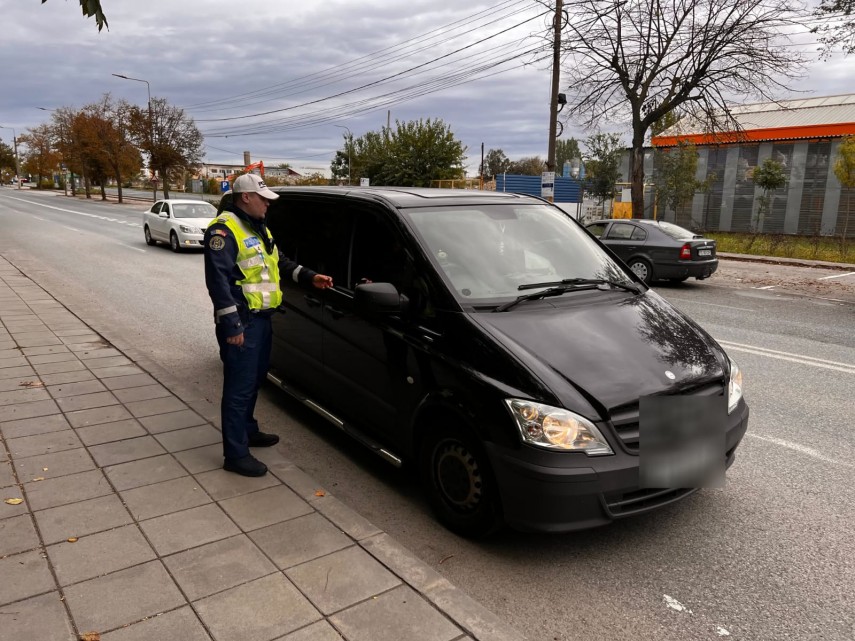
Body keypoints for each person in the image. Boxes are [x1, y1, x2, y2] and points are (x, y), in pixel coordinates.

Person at [204, 173, 333, 477]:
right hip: (243, 323)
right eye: (264, 199)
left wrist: (310, 276)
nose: (268, 204)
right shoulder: (224, 230)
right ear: (246, 197)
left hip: (261, 321)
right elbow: (217, 283)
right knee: (238, 388)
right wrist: (232, 327)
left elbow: (279, 262)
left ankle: (248, 431)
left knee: (254, 380)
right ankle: (235, 455)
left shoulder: (258, 226)